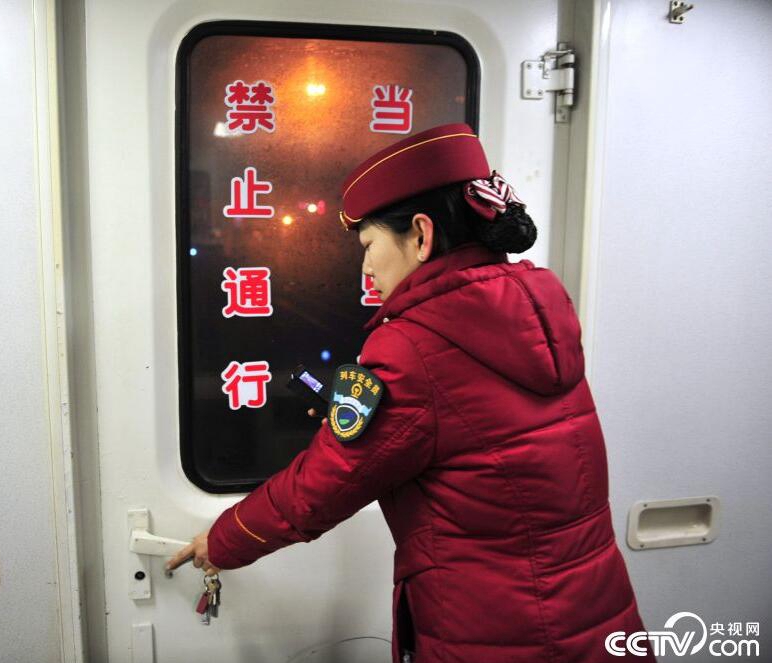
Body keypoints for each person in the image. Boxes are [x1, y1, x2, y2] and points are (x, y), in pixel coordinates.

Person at [166, 123, 654, 662]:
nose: (366, 267)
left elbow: (322, 487)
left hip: (499, 631)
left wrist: (225, 538)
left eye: (369, 245)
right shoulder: (538, 302)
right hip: (596, 616)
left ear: (421, 235)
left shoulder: (412, 346)